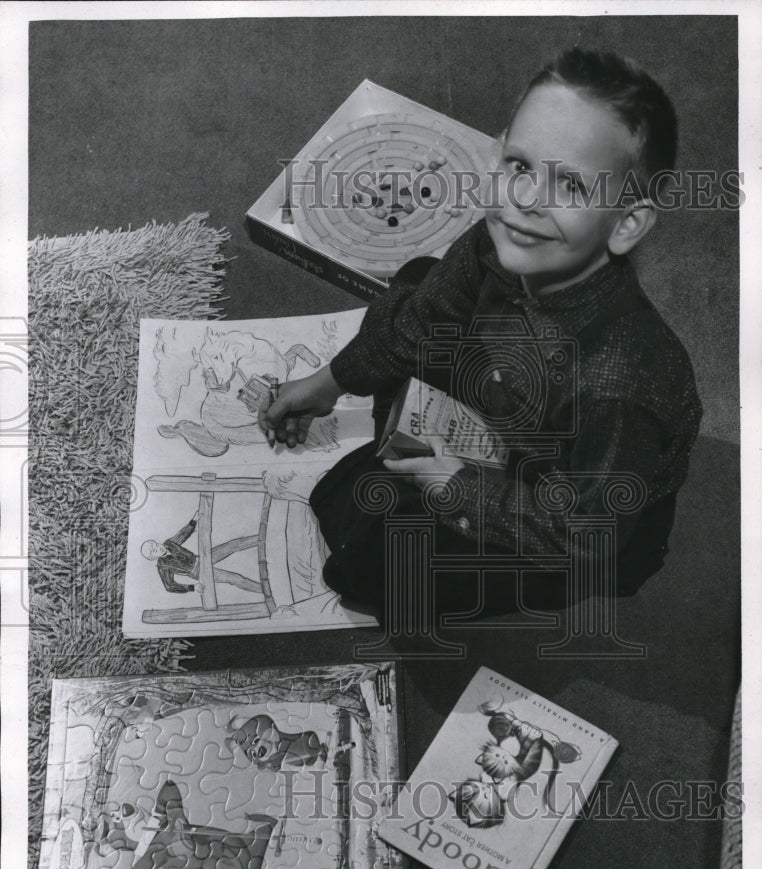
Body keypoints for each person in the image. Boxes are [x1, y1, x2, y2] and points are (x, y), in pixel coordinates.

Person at [259, 49, 702, 621]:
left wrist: (454, 482)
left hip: (585, 515)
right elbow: (425, 317)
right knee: (421, 281)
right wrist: (330, 381)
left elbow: (586, 531)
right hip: (519, 401)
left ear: (627, 224)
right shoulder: (504, 238)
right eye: (520, 166)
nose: (524, 201)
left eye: (570, 184)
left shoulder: (618, 384)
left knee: (372, 564)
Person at [140, 510, 262, 595]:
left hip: (202, 558)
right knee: (235, 578)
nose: (158, 547)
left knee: (233, 545)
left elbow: (182, 535)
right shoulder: (162, 566)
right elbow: (169, 586)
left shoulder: (168, 543)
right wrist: (192, 588)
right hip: (199, 572)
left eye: (156, 544)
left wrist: (193, 521)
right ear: (153, 557)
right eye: (154, 550)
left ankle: (261, 538)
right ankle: (264, 590)